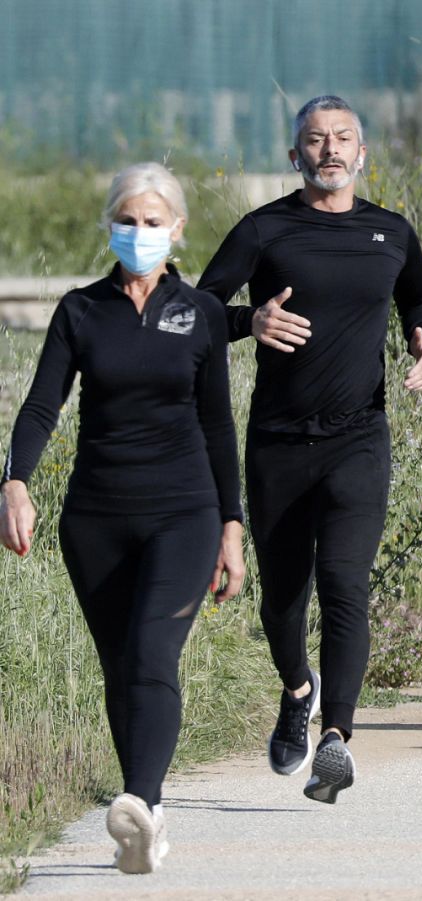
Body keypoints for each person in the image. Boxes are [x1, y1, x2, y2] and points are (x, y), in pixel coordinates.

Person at [2, 163, 246, 872]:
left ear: (177, 230)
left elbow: (218, 426)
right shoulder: (81, 312)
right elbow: (41, 407)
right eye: (127, 220)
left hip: (185, 510)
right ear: (110, 225)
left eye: (152, 221)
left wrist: (231, 524)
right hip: (96, 518)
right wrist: (14, 482)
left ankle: (137, 798)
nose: (138, 233)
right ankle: (150, 818)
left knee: (150, 652)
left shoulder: (197, 312)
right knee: (120, 670)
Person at [199, 95, 422, 803]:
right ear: (294, 156)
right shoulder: (264, 228)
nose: (330, 149)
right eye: (315, 140)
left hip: (358, 436)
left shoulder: (390, 231)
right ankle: (297, 688)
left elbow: (419, 297)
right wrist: (252, 318)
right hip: (277, 441)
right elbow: (195, 307)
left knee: (345, 581)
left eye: (342, 139)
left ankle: (336, 737)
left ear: (362, 153)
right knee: (282, 598)